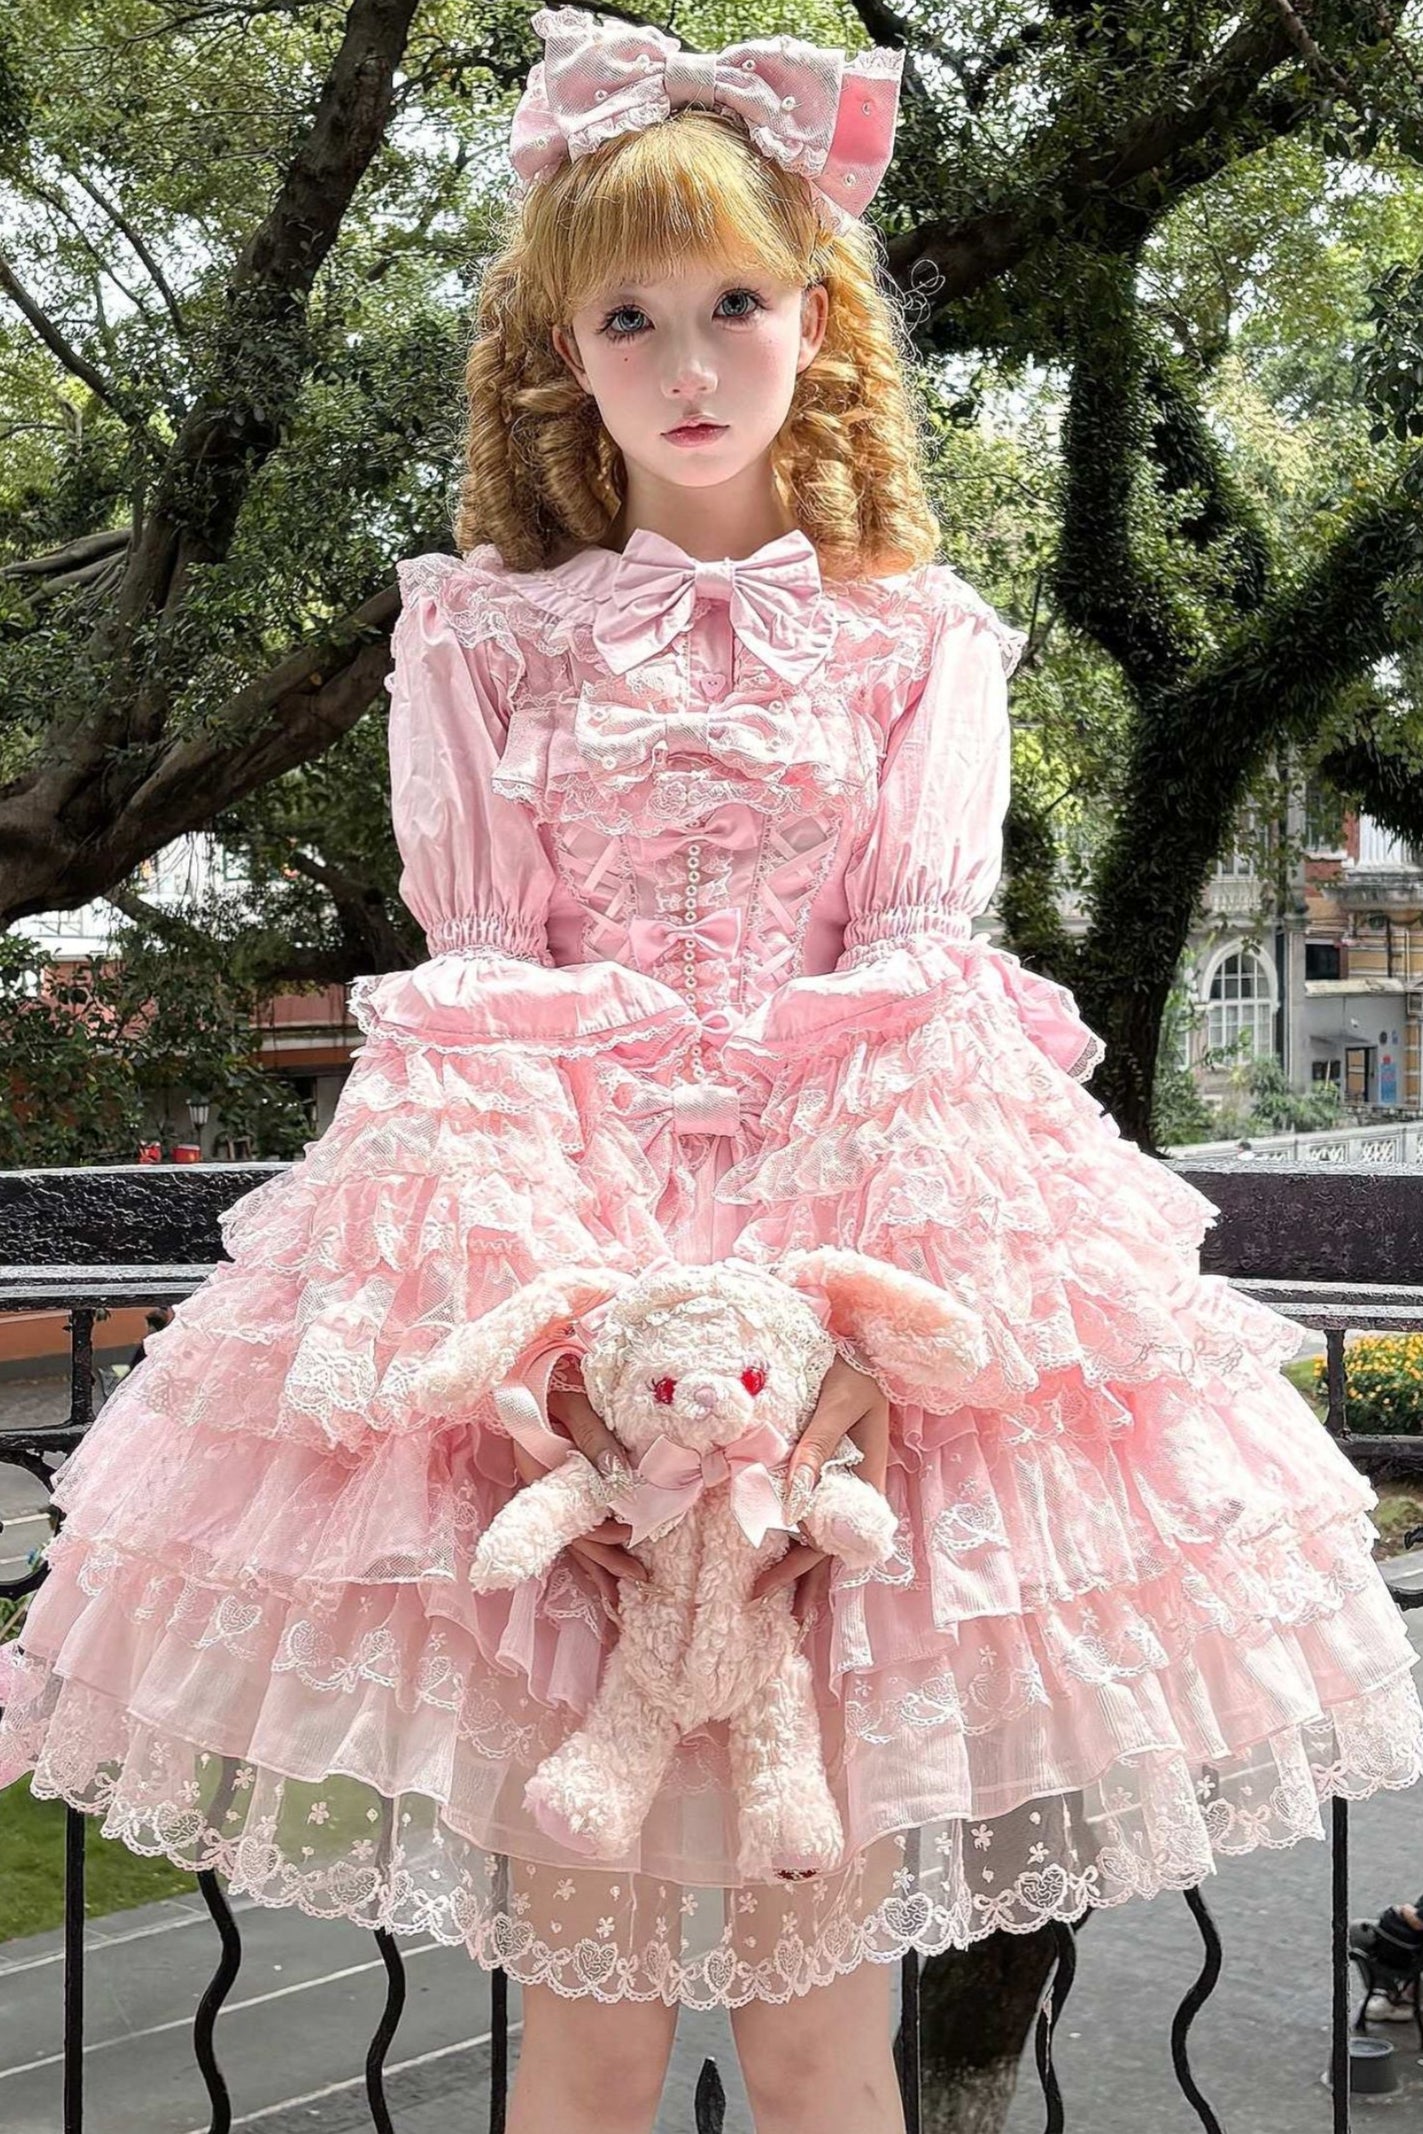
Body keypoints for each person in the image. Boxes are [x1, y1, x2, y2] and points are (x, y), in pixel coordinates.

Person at [2, 9, 1421, 2131]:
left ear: (814, 319)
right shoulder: (484, 637)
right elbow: (485, 1002)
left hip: (837, 1380)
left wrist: (839, 1357)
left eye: (734, 303)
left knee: (816, 2030)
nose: (686, 362)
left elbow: (917, 1011)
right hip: (562, 1357)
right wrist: (564, 1359)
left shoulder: (917, 637)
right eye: (629, 317)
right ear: (564, 356)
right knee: (580, 2035)